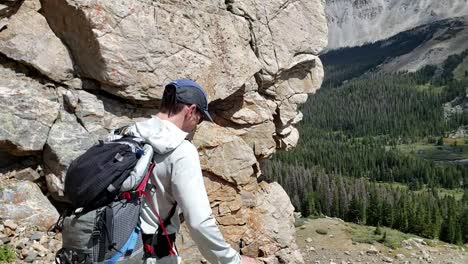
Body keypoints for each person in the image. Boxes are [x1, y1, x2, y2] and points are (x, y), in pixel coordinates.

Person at [127, 79, 255, 264]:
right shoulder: (181, 151)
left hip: (105, 248)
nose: (197, 124)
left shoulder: (124, 133)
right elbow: (199, 222)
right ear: (190, 110)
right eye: (200, 118)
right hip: (150, 254)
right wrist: (233, 261)